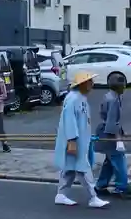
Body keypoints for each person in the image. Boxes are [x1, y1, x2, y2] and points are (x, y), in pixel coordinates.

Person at [54, 71, 109, 208]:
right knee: (83, 168)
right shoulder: (74, 99)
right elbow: (69, 121)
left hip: (80, 140)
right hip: (75, 141)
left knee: (69, 169)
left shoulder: (80, 97)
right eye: (89, 81)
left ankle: (61, 195)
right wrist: (72, 141)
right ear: (82, 84)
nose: (92, 84)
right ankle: (93, 197)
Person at [94, 73, 128, 197]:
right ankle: (122, 187)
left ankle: (101, 185)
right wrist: (118, 139)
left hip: (105, 131)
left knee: (109, 160)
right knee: (119, 159)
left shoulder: (108, 96)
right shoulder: (114, 100)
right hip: (110, 134)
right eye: (123, 85)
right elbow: (112, 122)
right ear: (119, 87)